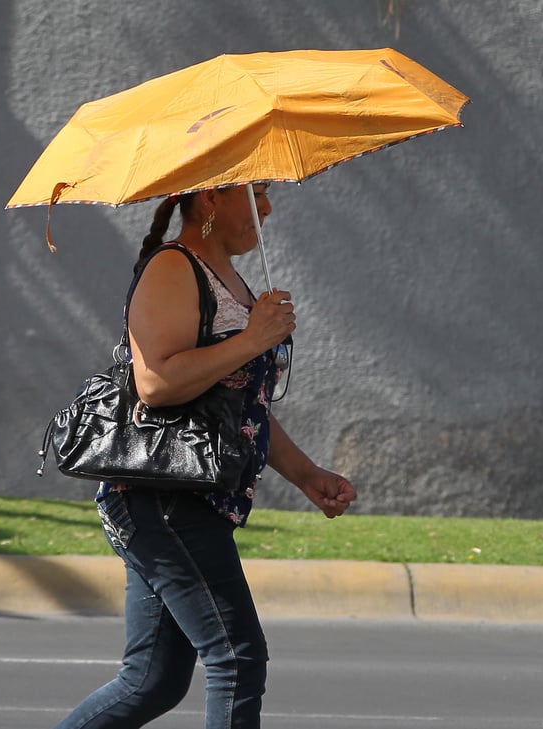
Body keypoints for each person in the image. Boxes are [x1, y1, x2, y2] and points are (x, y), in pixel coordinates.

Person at [53, 183, 357, 729]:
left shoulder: (232, 282)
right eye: (257, 193)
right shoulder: (173, 268)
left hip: (189, 498)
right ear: (213, 198)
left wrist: (306, 474)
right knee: (237, 658)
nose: (267, 208)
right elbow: (155, 382)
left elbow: (240, 405)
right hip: (163, 499)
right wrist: (252, 338)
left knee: (153, 681)